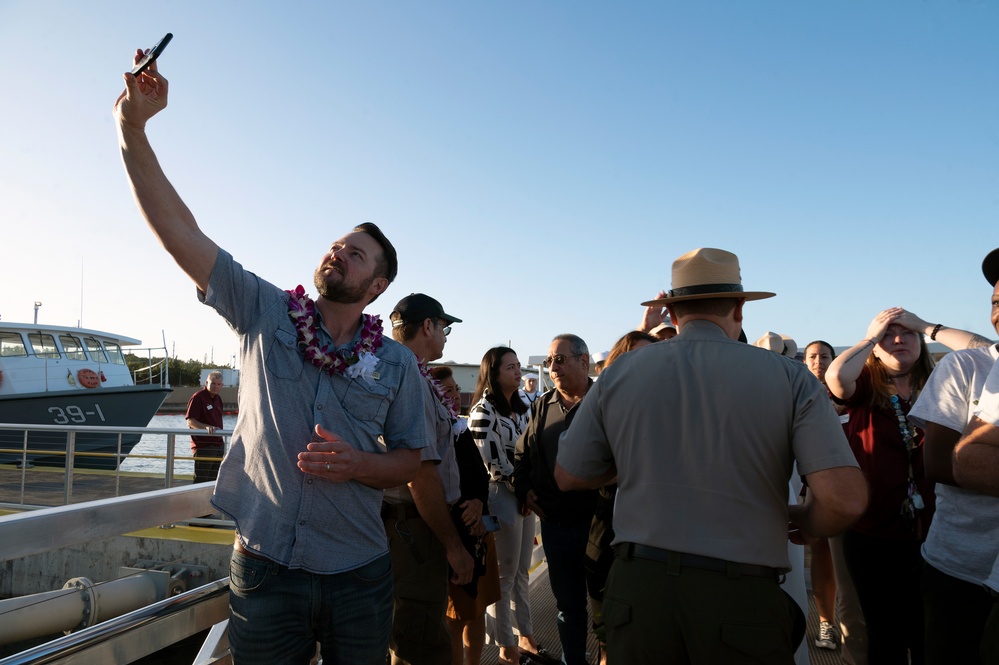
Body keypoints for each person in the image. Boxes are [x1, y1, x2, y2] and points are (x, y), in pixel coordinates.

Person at [115, 54, 429, 665]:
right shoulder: (266, 312)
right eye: (337, 245)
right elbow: (181, 230)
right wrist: (132, 128)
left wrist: (360, 463)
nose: (339, 252)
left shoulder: (395, 364)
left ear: (379, 286)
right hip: (264, 569)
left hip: (359, 574)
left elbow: (414, 460)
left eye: (357, 254)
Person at [555, 247, 868, 665]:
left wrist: (637, 462)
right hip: (739, 595)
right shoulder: (789, 377)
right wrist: (807, 524)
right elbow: (844, 499)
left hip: (639, 592)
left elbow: (568, 474)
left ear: (672, 312)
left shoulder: (620, 372)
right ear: (739, 308)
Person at [825, 307, 983, 665]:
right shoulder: (865, 386)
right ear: (874, 350)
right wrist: (869, 335)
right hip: (873, 534)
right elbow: (836, 376)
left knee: (930, 631)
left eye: (907, 333)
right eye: (888, 336)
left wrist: (927, 325)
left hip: (938, 533)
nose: (898, 339)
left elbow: (989, 351)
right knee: (885, 636)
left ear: (921, 343)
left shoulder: (946, 380)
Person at [906, 251, 999, 665]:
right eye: (996, 302)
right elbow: (938, 464)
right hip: (958, 565)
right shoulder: (966, 366)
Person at [386, 293, 474, 665]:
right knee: (421, 644)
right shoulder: (412, 380)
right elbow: (420, 477)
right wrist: (454, 546)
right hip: (416, 530)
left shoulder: (399, 370)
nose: (445, 335)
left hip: (413, 527)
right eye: (444, 327)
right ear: (427, 327)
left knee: (410, 635)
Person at [514, 334, 598, 665]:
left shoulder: (605, 401)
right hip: (557, 527)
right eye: (549, 362)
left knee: (609, 604)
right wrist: (525, 491)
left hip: (602, 525)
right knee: (568, 606)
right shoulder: (541, 407)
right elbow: (521, 457)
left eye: (560, 359)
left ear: (584, 360)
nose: (553, 368)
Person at [468, 347, 548, 665]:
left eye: (519, 366)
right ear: (494, 373)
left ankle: (526, 635)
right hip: (500, 495)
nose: (518, 372)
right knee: (504, 576)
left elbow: (531, 450)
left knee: (521, 574)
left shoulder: (524, 406)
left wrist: (528, 490)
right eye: (510, 367)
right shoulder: (483, 410)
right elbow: (492, 463)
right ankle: (506, 645)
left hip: (522, 494)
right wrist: (524, 490)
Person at [581, 330, 656, 665]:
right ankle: (605, 647)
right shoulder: (604, 402)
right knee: (599, 583)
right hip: (608, 512)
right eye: (635, 357)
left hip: (655, 526)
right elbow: (574, 469)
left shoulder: (673, 403)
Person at [801, 340, 868, 663]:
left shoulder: (854, 395)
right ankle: (827, 622)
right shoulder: (797, 395)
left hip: (852, 483)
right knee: (822, 554)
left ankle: (851, 630)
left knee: (851, 563)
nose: (818, 362)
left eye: (824, 356)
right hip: (813, 483)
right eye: (812, 357)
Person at [431, 365, 502, 665]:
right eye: (447, 391)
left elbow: (480, 478)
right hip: (453, 535)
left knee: (479, 610)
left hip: (478, 530)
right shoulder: (431, 431)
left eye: (456, 389)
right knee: (455, 618)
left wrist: (477, 503)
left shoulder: (459, 430)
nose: (455, 395)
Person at [953, 357, 999, 665]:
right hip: (956, 553)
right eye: (994, 304)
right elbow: (967, 460)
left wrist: (930, 328)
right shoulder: (958, 366)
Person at [186, 370, 226, 483]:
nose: (215, 386)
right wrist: (205, 427)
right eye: (213, 383)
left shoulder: (218, 399)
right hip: (204, 446)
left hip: (218, 445)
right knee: (201, 481)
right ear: (206, 382)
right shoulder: (198, 397)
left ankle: (208, 501)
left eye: (218, 384)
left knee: (214, 481)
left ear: (222, 385)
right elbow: (190, 421)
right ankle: (196, 501)